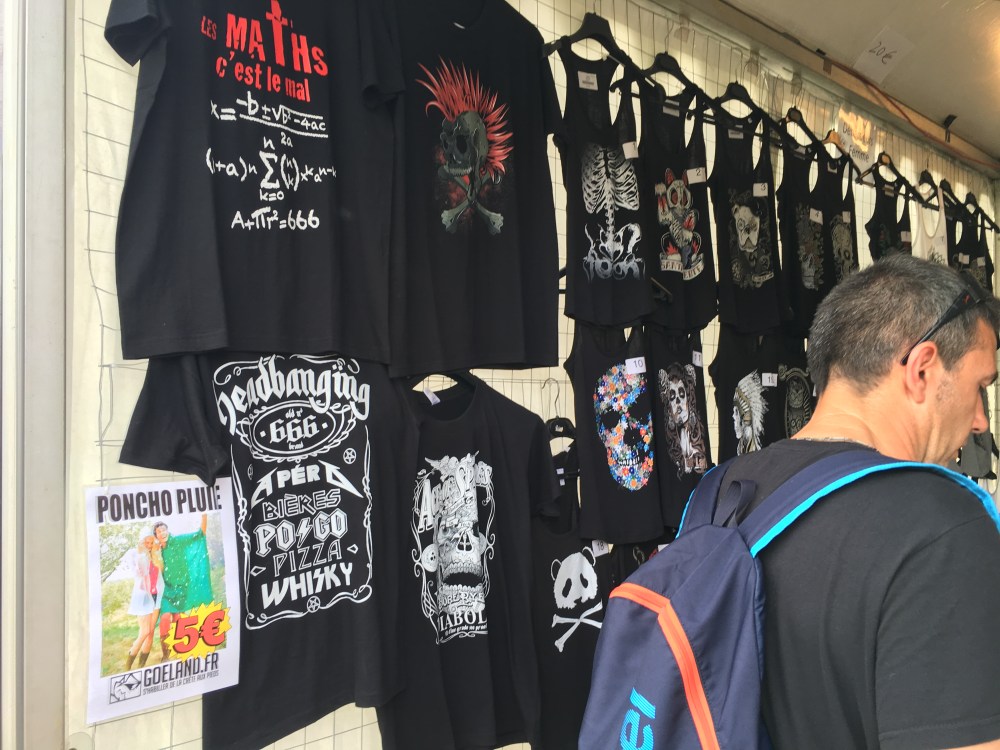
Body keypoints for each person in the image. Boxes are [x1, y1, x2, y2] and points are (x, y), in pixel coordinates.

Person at [716, 255, 1000, 749]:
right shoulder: (942, 529)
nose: (980, 420)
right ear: (922, 369)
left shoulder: (722, 491)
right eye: (980, 388)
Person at [154, 514, 212, 661]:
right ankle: (165, 656)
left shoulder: (178, 541)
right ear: (156, 536)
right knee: (165, 618)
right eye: (159, 532)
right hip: (166, 590)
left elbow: (200, 534)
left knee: (178, 620)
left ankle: (178, 650)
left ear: (167, 531)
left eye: (163, 530)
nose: (162, 533)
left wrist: (204, 516)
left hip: (181, 588)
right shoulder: (157, 550)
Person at [123, 532, 163, 671]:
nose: (149, 545)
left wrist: (155, 554)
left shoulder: (155, 555)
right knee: (144, 631)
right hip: (143, 597)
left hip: (156, 596)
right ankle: (127, 666)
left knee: (150, 633)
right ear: (141, 541)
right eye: (147, 542)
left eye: (152, 543)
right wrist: (142, 554)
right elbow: (138, 573)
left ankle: (141, 667)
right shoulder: (133, 553)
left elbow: (160, 572)